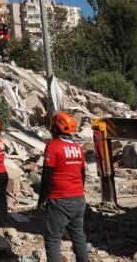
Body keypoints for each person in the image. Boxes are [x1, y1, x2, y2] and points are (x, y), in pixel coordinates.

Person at [40, 111, 88, 262]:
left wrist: (42, 198)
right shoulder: (77, 147)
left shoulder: (53, 146)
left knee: (53, 239)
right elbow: (83, 174)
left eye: (53, 126)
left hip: (59, 199)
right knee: (78, 236)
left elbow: (46, 175)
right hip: (78, 198)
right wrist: (77, 190)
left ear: (56, 128)